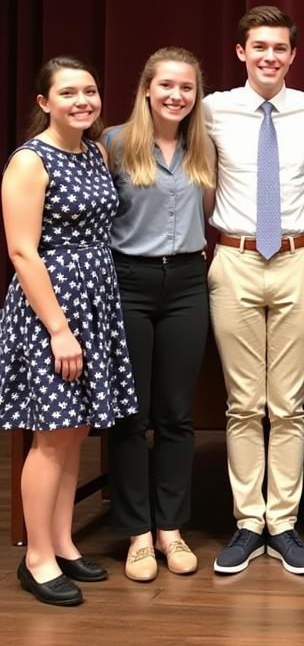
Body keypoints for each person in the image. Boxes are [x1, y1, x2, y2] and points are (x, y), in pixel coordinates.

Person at [0, 57, 138, 606]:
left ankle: (61, 542)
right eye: (69, 93)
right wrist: (58, 328)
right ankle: (35, 559)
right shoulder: (30, 162)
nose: (83, 101)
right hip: (51, 307)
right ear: (44, 103)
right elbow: (21, 251)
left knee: (76, 430)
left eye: (90, 91)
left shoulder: (96, 151)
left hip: (96, 301)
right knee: (51, 437)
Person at [204, 6, 304, 576]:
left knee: (288, 405)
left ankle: (282, 523)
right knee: (242, 403)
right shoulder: (212, 110)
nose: (269, 57)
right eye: (259, 47)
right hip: (233, 261)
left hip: (297, 263)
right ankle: (247, 522)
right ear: (240, 51)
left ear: (292, 55)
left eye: (280, 48)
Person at [104, 47, 216, 582]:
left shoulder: (202, 148)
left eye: (187, 88)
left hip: (189, 283)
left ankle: (172, 530)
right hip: (130, 283)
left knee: (175, 413)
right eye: (167, 85)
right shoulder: (114, 144)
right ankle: (137, 534)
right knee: (132, 415)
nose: (176, 95)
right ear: (147, 87)